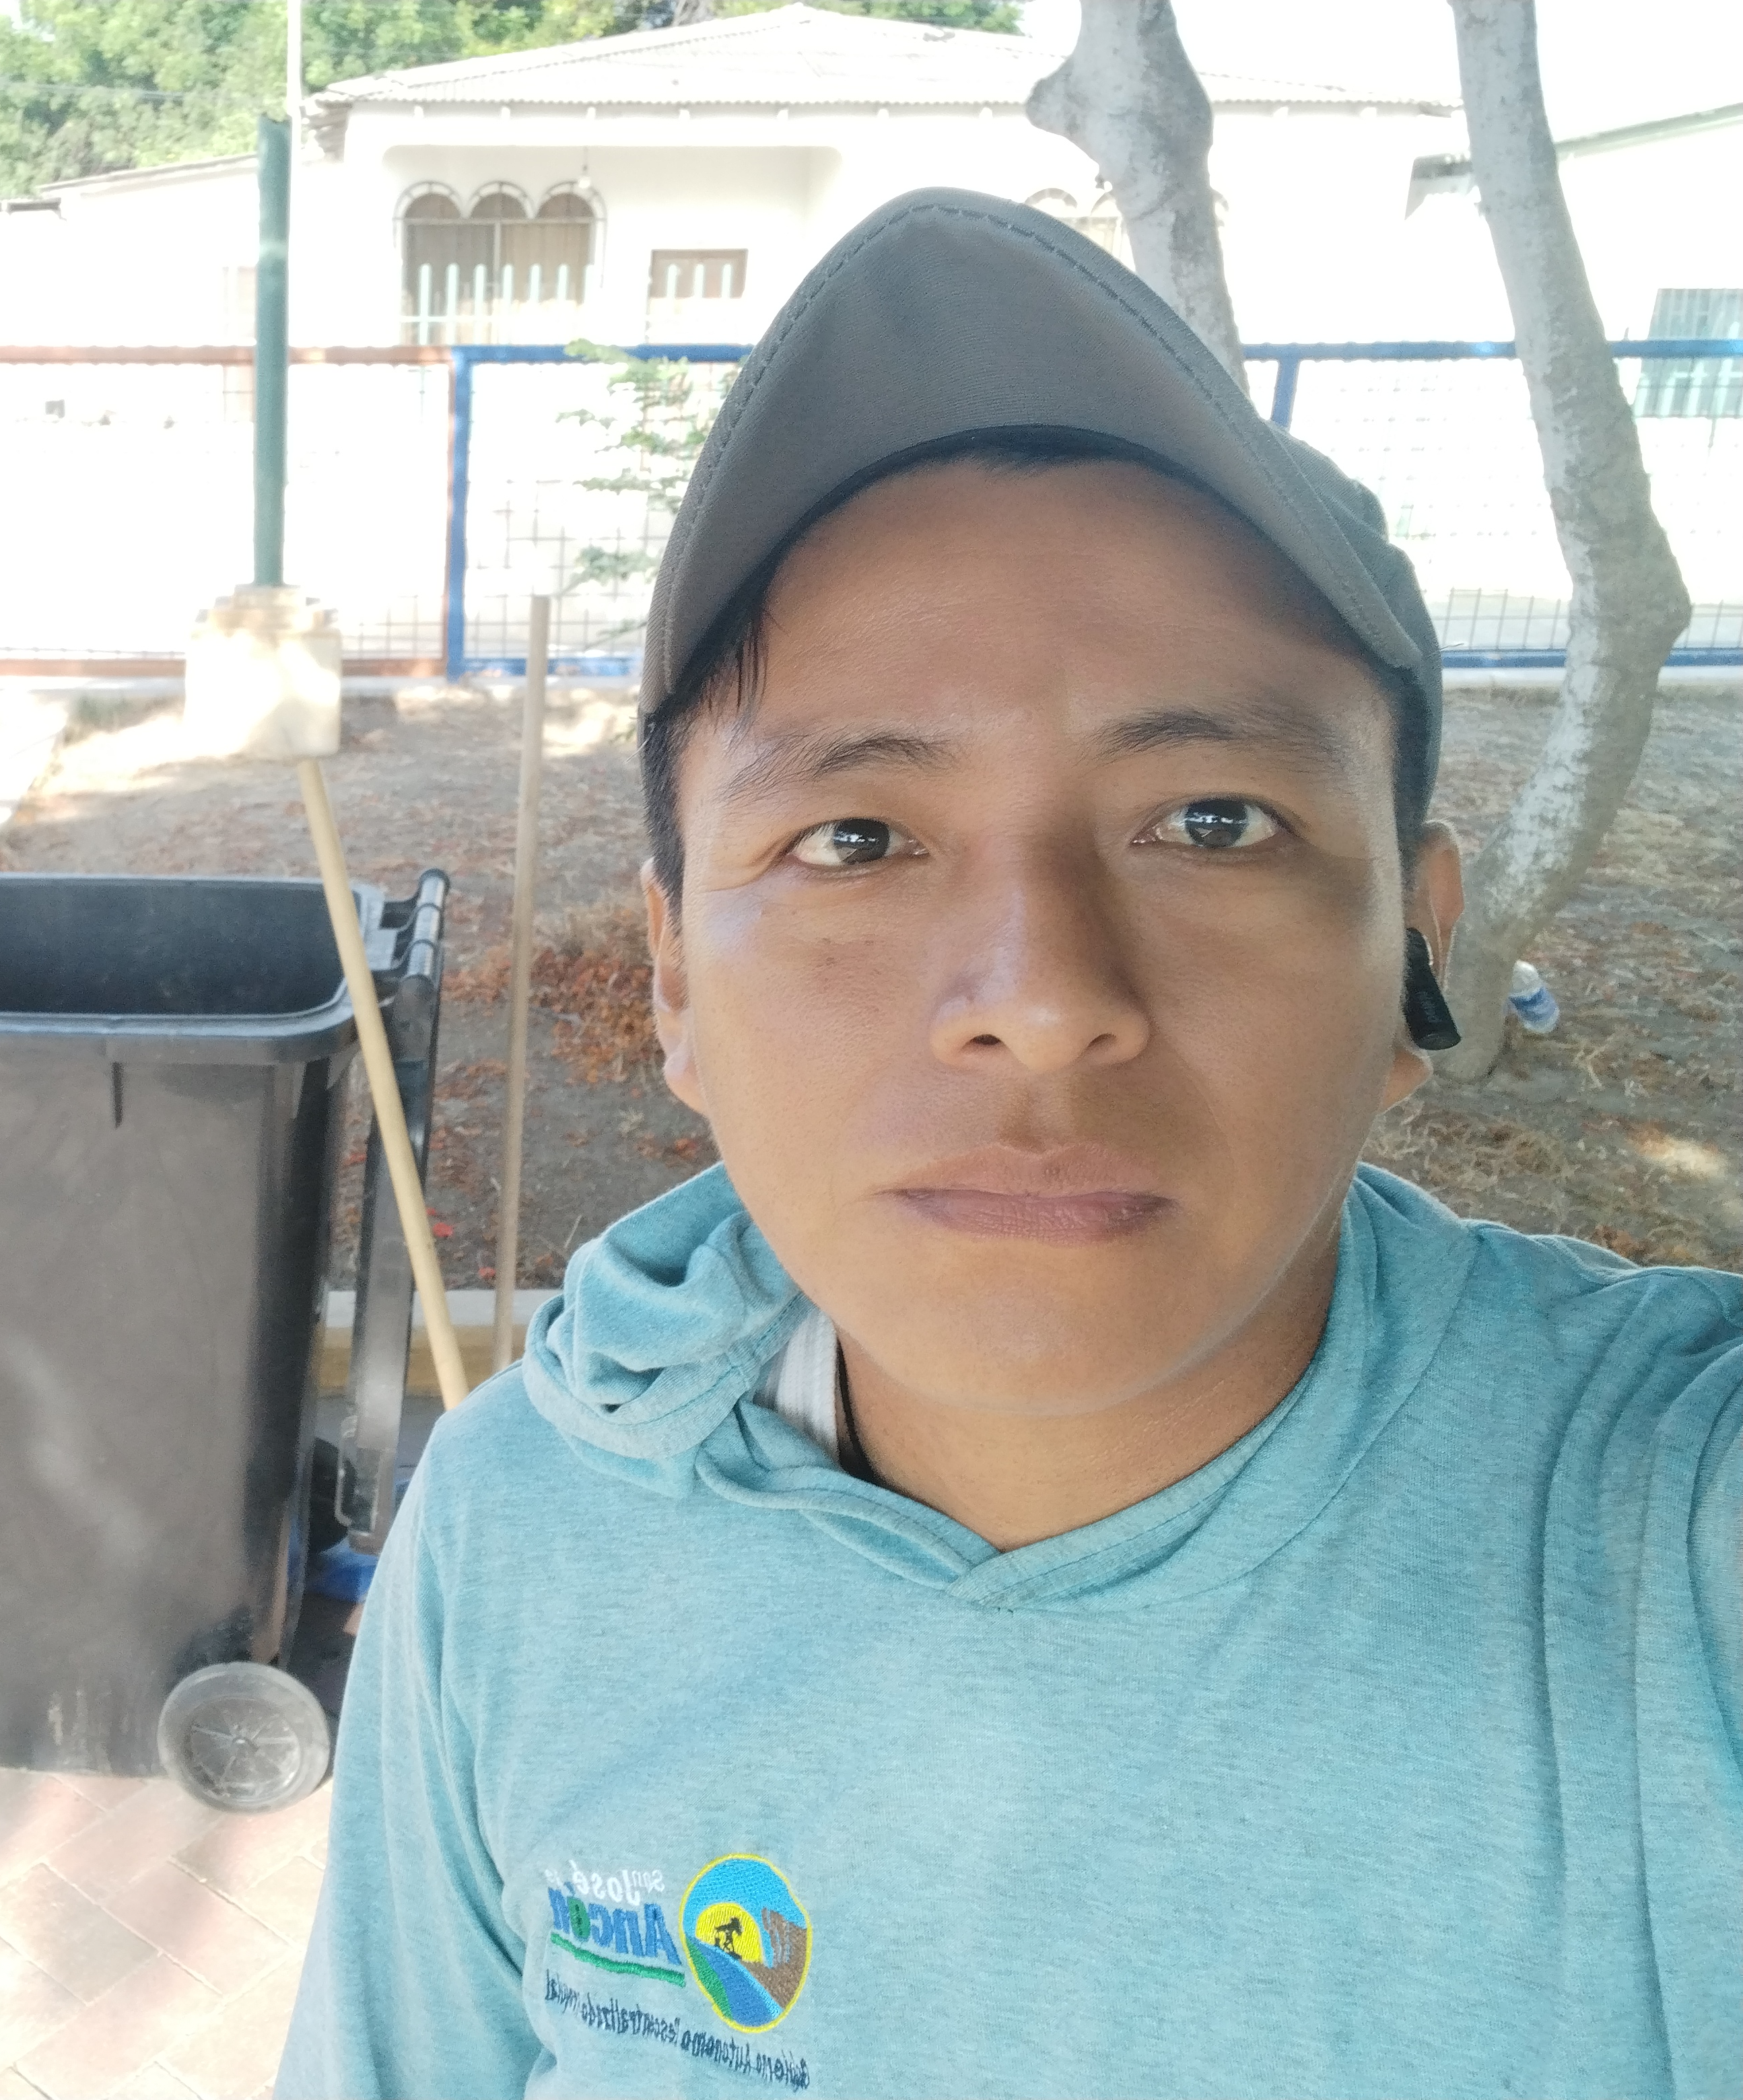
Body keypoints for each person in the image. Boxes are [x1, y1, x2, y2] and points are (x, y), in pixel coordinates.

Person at [276, 190, 1740, 2099]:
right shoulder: (521, 1530)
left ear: (1417, 952)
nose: (1043, 1000)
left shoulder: (1664, 1536)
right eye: (857, 839)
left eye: (1213, 822)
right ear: (675, 979)